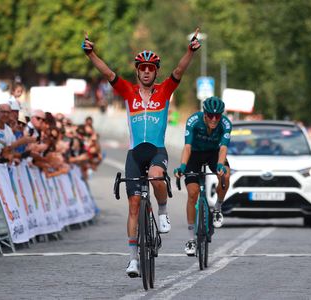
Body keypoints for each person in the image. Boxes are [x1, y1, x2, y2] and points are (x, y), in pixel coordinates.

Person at [83, 28, 201, 276]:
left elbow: (179, 71)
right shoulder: (127, 91)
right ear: (137, 71)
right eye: (142, 68)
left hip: (156, 150)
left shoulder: (164, 90)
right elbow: (107, 73)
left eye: (151, 68)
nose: (147, 71)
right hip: (134, 153)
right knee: (134, 205)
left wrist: (190, 51)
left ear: (156, 71)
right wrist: (91, 54)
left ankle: (162, 210)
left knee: (157, 176)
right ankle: (133, 259)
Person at [173, 96, 232, 256]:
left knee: (226, 175)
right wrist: (183, 167)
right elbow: (187, 147)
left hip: (214, 154)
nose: (214, 119)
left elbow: (223, 148)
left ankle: (218, 208)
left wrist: (220, 165)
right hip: (195, 155)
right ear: (204, 114)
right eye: (210, 115)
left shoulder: (226, 124)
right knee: (192, 194)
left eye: (217, 116)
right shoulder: (193, 121)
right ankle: (191, 239)